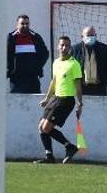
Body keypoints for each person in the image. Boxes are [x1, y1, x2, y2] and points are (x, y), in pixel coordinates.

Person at [34, 35, 83, 164]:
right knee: (41, 127)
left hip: (65, 100)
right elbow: (54, 82)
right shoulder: (56, 62)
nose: (64, 47)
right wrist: (46, 98)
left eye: (67, 45)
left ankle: (69, 147)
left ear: (70, 47)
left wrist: (79, 104)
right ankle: (49, 155)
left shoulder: (74, 64)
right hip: (55, 98)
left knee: (46, 127)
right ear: (58, 46)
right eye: (62, 45)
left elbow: (78, 86)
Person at [6, 14, 49, 94]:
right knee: (16, 100)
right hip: (16, 78)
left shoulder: (36, 37)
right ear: (17, 24)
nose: (25, 26)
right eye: (22, 23)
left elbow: (45, 53)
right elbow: (6, 55)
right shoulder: (11, 37)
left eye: (27, 23)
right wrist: (11, 69)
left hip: (32, 77)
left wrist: (37, 67)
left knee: (35, 100)